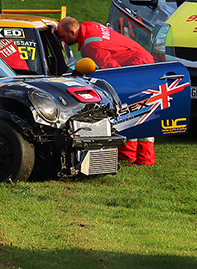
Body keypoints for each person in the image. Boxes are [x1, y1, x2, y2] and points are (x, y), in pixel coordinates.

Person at [56, 16, 157, 165]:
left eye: (63, 37)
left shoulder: (92, 46)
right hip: (139, 65)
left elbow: (111, 70)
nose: (63, 41)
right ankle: (129, 154)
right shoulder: (87, 26)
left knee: (136, 112)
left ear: (72, 32)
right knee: (134, 110)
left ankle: (144, 157)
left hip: (136, 70)